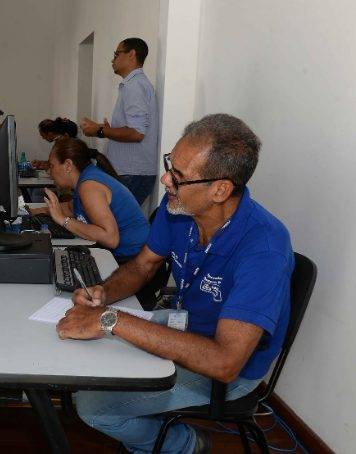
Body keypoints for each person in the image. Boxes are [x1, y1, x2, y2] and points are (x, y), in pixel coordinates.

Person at [58, 114, 293, 453]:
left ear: (220, 189)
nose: (166, 178)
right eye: (171, 164)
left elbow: (225, 363)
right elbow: (143, 265)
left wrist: (111, 319)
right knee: (86, 364)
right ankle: (155, 431)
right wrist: (103, 293)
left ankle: (185, 445)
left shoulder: (264, 248)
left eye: (179, 176)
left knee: (94, 407)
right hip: (185, 329)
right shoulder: (179, 210)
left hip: (227, 370)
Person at [32, 138, 148, 259]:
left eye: (52, 166)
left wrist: (63, 220)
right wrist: (33, 211)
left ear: (68, 165)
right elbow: (70, 208)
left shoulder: (89, 186)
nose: (49, 171)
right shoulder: (85, 178)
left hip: (136, 258)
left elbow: (111, 239)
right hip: (131, 254)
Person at [80, 37, 159, 205]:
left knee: (116, 227)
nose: (112, 60)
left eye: (116, 54)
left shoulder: (135, 86)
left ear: (131, 54)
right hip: (131, 173)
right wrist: (105, 130)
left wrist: (100, 131)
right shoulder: (132, 85)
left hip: (132, 173)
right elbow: (132, 129)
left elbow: (137, 133)